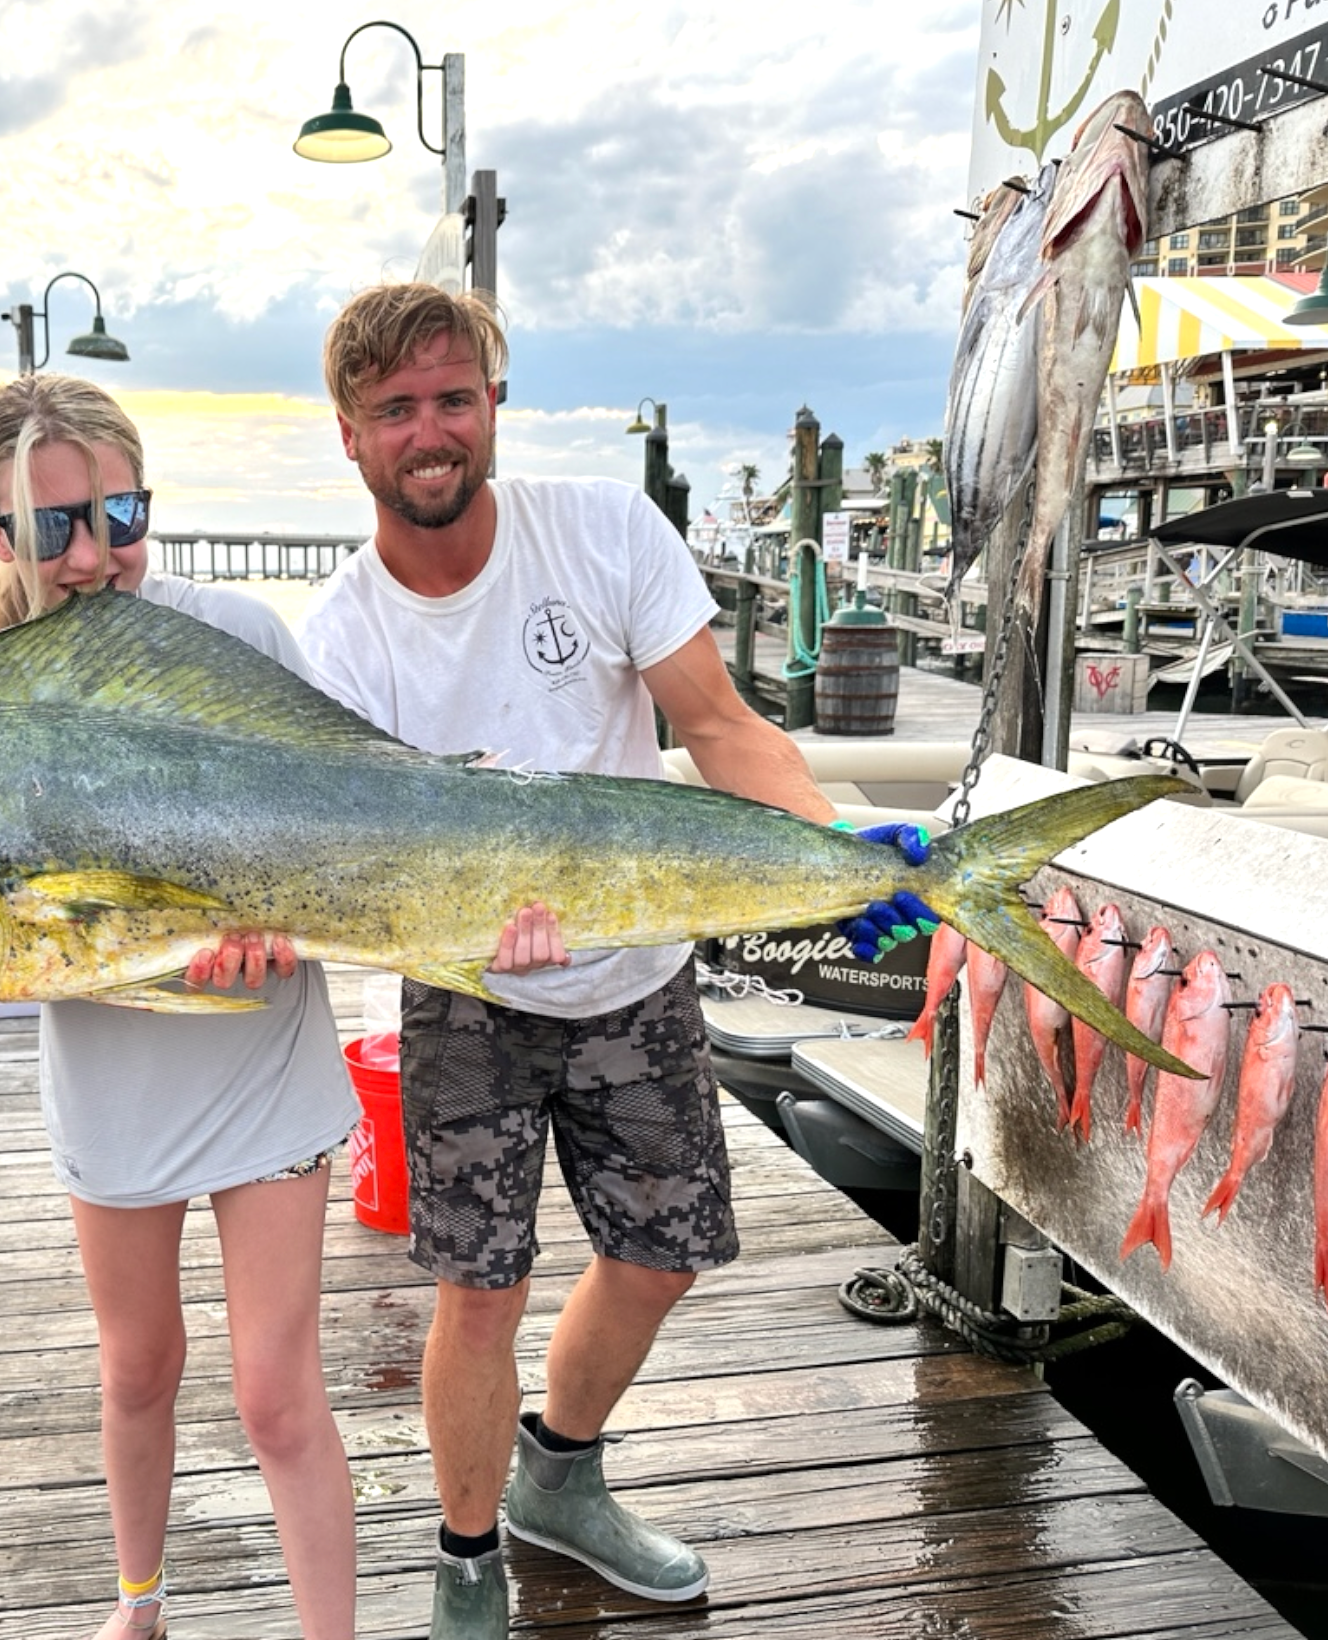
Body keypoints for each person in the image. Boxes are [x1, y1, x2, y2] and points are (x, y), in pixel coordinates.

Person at [300, 282, 933, 1639]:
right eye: (397, 408)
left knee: (660, 1257)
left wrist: (838, 859)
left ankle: (558, 1482)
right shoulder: (340, 641)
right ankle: (468, 1553)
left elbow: (715, 722)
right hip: (467, 988)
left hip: (635, 972)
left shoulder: (594, 530)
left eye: (454, 399)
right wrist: (471, 931)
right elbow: (369, 868)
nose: (432, 431)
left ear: (493, 406)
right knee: (481, 1293)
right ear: (349, 434)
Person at [0, 374, 360, 1640]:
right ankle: (138, 1602)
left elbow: (351, 845)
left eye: (121, 514)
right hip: (110, 1076)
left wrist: (283, 937)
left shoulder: (240, 633)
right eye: (56, 526)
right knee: (136, 1365)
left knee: (276, 1394)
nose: (96, 554)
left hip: (258, 1058)